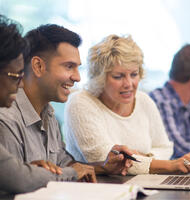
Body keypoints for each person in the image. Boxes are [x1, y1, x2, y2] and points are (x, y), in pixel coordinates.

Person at [0, 23, 133, 194]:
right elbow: (18, 182)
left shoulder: (47, 113)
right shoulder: (6, 118)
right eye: (69, 66)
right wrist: (69, 172)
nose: (77, 77)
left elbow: (66, 165)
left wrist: (104, 167)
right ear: (38, 66)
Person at [64, 34, 190, 175]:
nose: (129, 84)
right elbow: (107, 160)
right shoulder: (80, 103)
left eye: (134, 74)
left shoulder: (143, 100)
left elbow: (165, 147)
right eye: (118, 76)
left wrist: (146, 159)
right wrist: (169, 165)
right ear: (100, 78)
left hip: (141, 185)